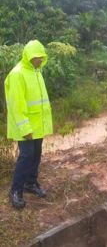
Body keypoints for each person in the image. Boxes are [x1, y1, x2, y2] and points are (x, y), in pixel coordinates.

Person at [4, 40, 53, 209]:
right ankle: (15, 190)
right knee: (25, 157)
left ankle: (31, 183)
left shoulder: (36, 71)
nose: (39, 59)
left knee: (36, 154)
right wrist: (25, 129)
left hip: (37, 126)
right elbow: (17, 106)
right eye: (36, 57)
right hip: (25, 127)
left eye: (41, 56)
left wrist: (43, 125)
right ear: (28, 56)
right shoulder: (18, 74)